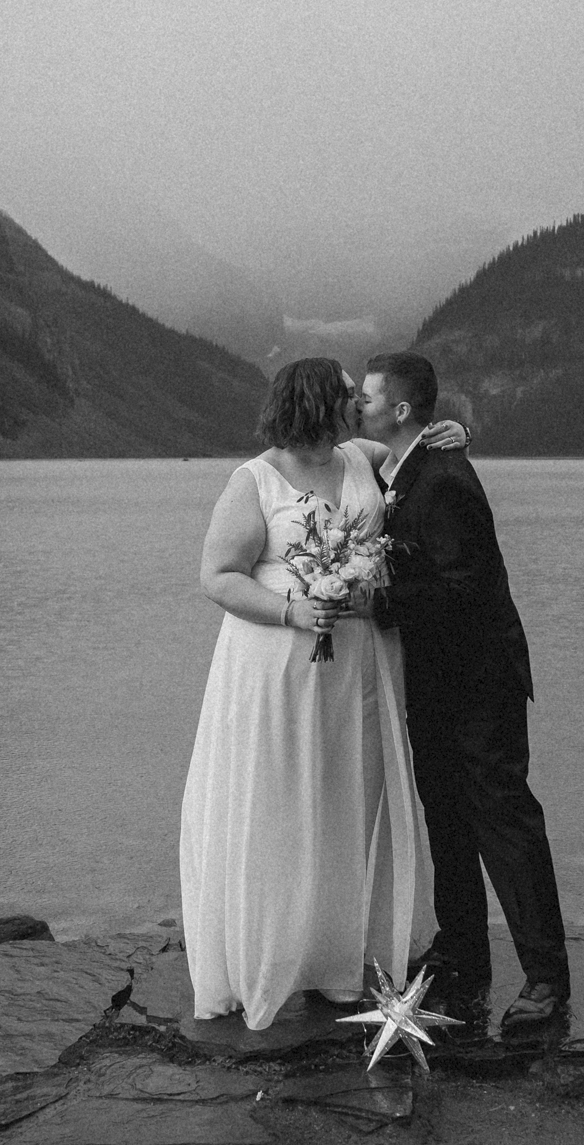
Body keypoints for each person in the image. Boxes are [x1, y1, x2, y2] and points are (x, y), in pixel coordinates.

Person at [180, 357, 466, 1030]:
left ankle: (339, 962)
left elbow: (410, 440)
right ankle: (278, 955)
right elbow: (217, 576)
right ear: (316, 404)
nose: (355, 404)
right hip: (280, 667)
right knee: (282, 800)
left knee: (348, 797)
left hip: (359, 668)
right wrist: (292, 611)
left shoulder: (357, 457)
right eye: (344, 395)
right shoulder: (253, 480)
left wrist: (449, 429)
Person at [360, 350, 571, 1031]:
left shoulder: (444, 478)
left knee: (503, 817)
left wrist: (380, 597)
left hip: (480, 680)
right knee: (445, 813)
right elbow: (333, 444)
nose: (358, 405)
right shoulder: (403, 465)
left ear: (399, 410)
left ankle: (545, 977)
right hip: (436, 678)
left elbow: (463, 589)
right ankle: (462, 949)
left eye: (368, 397)